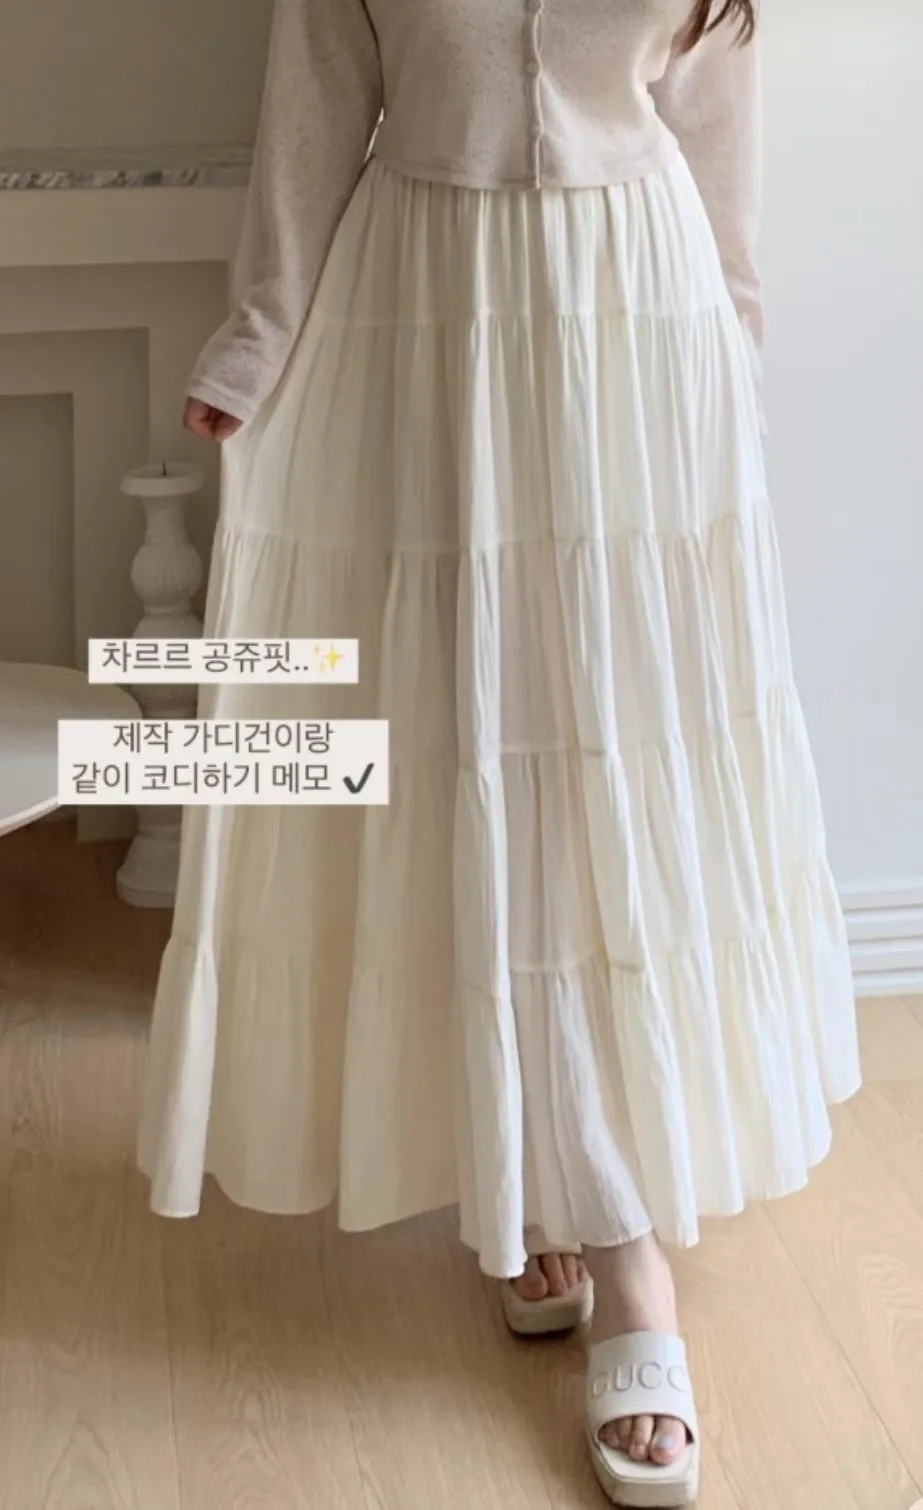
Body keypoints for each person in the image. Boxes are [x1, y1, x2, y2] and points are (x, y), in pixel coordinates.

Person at [137, 1, 861, 1503]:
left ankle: (617, 1244)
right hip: (428, 313)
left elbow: (713, 125)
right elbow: (314, 107)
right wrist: (258, 335)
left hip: (631, 324)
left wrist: (728, 347)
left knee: (603, 765)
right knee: (463, 745)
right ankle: (540, 1176)